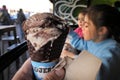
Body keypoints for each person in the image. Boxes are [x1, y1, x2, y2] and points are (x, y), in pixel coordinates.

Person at [12, 4, 120, 80]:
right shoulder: (94, 41)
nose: (81, 26)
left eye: (86, 25)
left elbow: (95, 72)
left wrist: (72, 57)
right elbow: (79, 43)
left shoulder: (111, 52)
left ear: (102, 30)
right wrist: (69, 31)